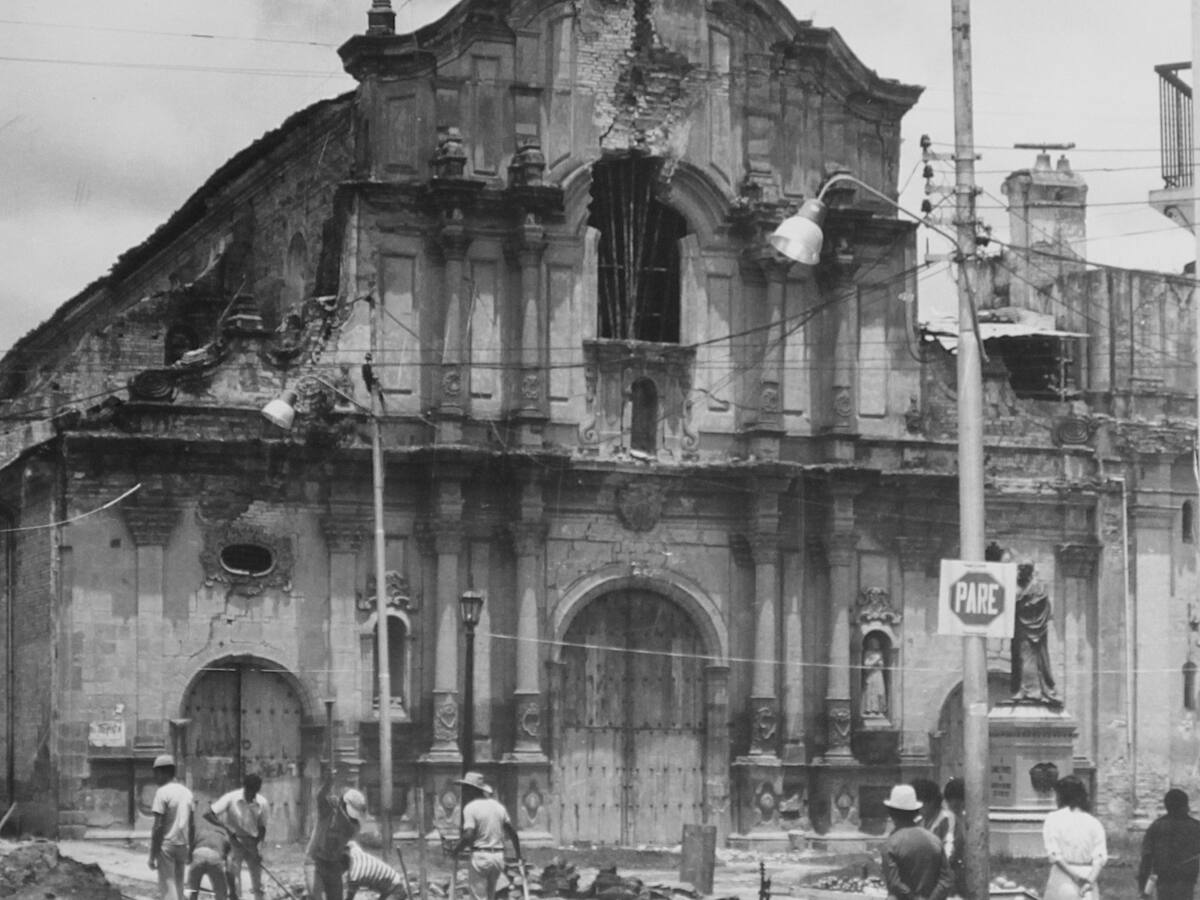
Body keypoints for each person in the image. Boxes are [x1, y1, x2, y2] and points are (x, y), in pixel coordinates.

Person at [451, 772, 523, 900]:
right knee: (490, 896)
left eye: (465, 789)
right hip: (498, 857)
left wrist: (456, 850)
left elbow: (468, 835)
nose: (464, 792)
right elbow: (512, 833)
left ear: (472, 790)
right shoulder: (498, 807)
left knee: (478, 897)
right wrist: (519, 855)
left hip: (481, 857)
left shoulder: (471, 808)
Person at [879, 783, 953, 900]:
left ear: (891, 813)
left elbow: (895, 884)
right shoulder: (934, 841)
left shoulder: (891, 845)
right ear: (916, 811)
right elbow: (946, 880)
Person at [306, 766, 368, 900]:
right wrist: (328, 783)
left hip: (334, 865)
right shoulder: (327, 811)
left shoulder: (353, 826)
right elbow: (320, 797)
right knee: (315, 897)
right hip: (315, 861)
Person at [205, 773, 270, 900]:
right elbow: (208, 814)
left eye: (254, 793)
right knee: (233, 878)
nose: (251, 796)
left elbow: (262, 828)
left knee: (259, 883)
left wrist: (259, 849)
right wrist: (226, 827)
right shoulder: (231, 798)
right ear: (245, 788)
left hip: (253, 843)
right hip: (234, 842)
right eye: (249, 792)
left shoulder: (262, 802)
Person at [1042, 775, 1107, 900]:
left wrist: (1075, 877)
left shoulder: (1053, 819)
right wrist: (1089, 881)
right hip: (1088, 877)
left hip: (1063, 879)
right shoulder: (1094, 823)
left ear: (1062, 796)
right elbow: (1099, 858)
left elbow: (1055, 855)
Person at [1011, 563, 1061, 707]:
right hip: (1022, 632)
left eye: (1022, 571)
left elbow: (1034, 606)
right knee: (1022, 660)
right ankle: (1027, 689)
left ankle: (1032, 691)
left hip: (1030, 633)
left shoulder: (1036, 590)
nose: (1019, 574)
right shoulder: (1025, 589)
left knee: (1028, 660)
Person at [1137, 788, 1200, 900]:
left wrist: (1143, 887)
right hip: (1186, 882)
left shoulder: (1156, 827)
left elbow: (1146, 859)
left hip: (1164, 882)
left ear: (1166, 806)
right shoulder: (1196, 827)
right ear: (1186, 806)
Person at [149, 754, 195, 900]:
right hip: (183, 844)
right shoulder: (187, 792)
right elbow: (192, 825)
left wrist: (152, 855)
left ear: (164, 773)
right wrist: (191, 848)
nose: (155, 777)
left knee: (168, 887)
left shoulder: (162, 792)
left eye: (156, 773)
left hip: (166, 846)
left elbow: (158, 827)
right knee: (179, 884)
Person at [187, 815, 232, 900]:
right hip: (214, 856)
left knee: (193, 890)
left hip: (198, 854)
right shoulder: (224, 836)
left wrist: (189, 860)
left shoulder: (202, 832)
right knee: (221, 892)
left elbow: (191, 848)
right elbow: (228, 861)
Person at [942, 778, 967, 899]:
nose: (956, 803)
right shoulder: (946, 820)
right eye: (952, 799)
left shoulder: (966, 819)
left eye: (960, 799)